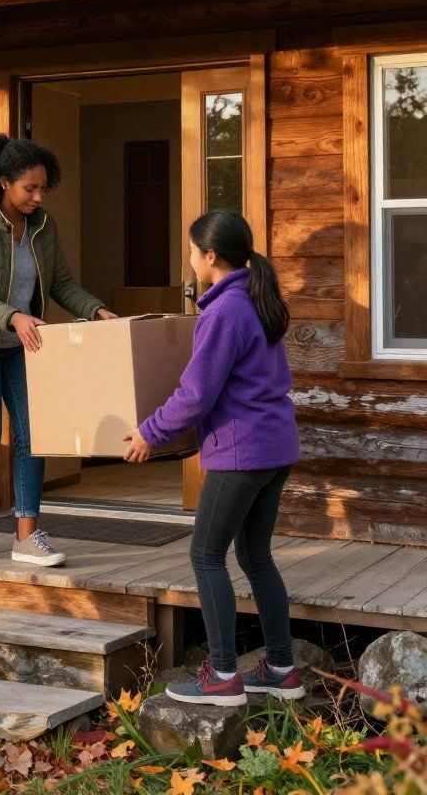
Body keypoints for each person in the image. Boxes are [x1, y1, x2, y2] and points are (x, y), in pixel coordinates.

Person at [124, 209, 303, 707]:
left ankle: (223, 676)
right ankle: (283, 670)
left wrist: (150, 433)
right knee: (255, 556)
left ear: (209, 256)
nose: (188, 258)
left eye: (190, 250)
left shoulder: (224, 312)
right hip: (275, 447)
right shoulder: (255, 298)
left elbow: (196, 394)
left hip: (243, 452)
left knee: (206, 555)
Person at [0, 135, 116, 567]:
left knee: (35, 437)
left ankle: (27, 534)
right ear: (3, 183)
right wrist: (13, 315)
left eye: (42, 188)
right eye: (29, 189)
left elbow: (61, 283)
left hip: (22, 348)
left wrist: (98, 309)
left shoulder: (44, 227)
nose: (37, 196)